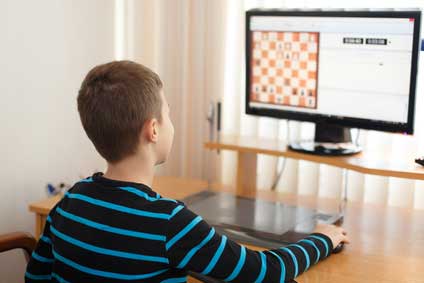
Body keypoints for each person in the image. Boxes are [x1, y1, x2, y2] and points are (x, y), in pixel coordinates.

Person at [25, 61, 349, 283]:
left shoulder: (70, 203)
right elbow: (265, 270)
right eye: (167, 113)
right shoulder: (170, 223)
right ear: (153, 129)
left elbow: (36, 276)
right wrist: (322, 238)